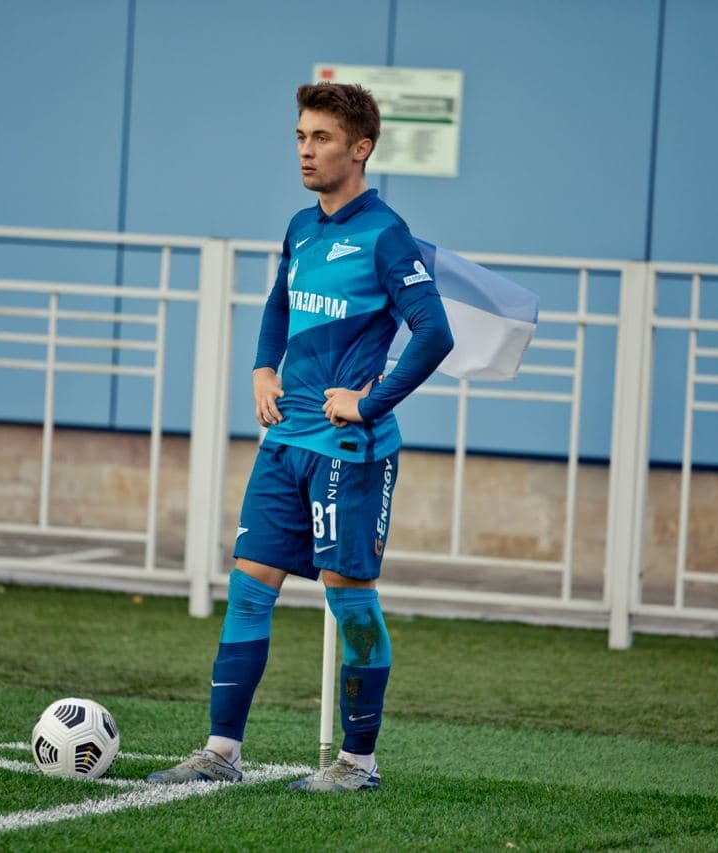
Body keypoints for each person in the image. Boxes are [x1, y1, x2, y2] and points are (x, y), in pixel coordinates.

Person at [148, 82, 454, 792]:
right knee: (248, 587)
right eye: (300, 136)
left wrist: (371, 402)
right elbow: (279, 303)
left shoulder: (386, 234)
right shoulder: (300, 226)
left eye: (321, 138)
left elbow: (434, 332)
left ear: (361, 148)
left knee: (350, 598)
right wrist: (263, 367)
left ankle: (358, 763)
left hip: (350, 452)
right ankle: (220, 752)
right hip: (286, 443)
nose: (305, 151)